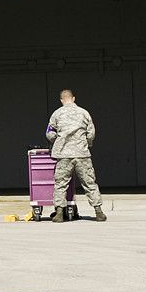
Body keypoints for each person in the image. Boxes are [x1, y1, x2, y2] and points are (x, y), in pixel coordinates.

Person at [46, 89, 106, 222]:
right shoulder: (84, 113)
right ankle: (99, 212)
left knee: (61, 184)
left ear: (61, 100)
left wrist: (57, 140)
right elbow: (91, 133)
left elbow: (49, 133)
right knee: (89, 183)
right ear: (73, 98)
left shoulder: (56, 114)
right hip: (82, 154)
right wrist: (87, 144)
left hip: (64, 155)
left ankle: (59, 213)